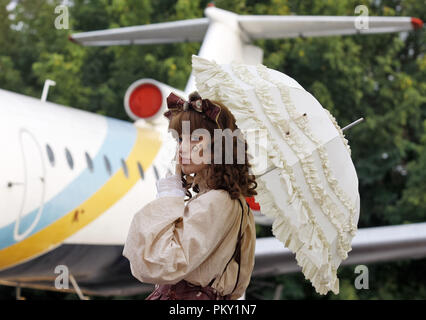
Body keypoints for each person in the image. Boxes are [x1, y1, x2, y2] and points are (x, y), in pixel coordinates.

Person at [122, 91, 258, 300]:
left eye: (195, 139)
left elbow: (159, 265)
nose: (183, 149)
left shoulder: (218, 201)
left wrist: (170, 195)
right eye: (180, 139)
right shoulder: (217, 199)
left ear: (218, 147)